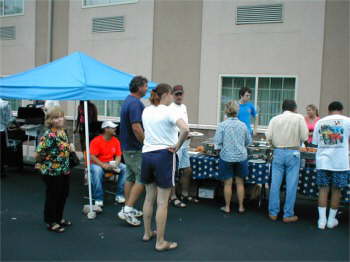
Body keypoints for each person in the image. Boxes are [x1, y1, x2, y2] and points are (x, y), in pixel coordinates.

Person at [141, 83, 189, 251]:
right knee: (162, 203)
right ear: (167, 94)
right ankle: (160, 242)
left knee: (148, 198)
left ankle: (147, 233)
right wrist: (177, 145)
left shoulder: (146, 110)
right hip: (163, 156)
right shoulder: (170, 110)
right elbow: (185, 129)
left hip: (147, 155)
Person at [266, 100, 308, 223]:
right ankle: (288, 214)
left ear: (283, 108)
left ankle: (273, 212)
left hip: (278, 152)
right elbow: (304, 137)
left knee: (275, 184)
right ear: (294, 108)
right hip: (293, 153)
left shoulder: (274, 119)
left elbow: (268, 137)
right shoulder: (299, 118)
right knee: (291, 185)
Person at [34, 107, 74, 233]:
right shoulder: (49, 135)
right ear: (50, 120)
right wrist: (41, 164)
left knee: (63, 194)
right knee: (53, 196)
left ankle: (58, 218)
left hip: (64, 169)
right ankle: (51, 221)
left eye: (61, 116)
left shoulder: (63, 131)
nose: (59, 119)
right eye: (56, 117)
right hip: (51, 171)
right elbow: (38, 153)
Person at [312, 101, 350, 229]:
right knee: (336, 190)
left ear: (329, 110)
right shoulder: (347, 121)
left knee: (323, 189)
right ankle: (331, 220)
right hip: (340, 162)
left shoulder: (320, 122)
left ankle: (321, 221)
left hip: (323, 161)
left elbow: (315, 142)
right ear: (341, 110)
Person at [118, 76, 148, 226]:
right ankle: (127, 209)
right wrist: (146, 143)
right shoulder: (135, 103)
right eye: (146, 86)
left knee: (130, 177)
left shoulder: (127, 100)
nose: (147, 88)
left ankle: (127, 207)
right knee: (142, 178)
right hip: (135, 148)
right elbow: (136, 127)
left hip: (127, 147)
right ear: (140, 87)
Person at [214, 101, 252, 213]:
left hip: (226, 157)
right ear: (237, 111)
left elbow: (217, 143)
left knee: (228, 183)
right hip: (241, 157)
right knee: (240, 183)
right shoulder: (243, 125)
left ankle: (227, 207)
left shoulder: (222, 125)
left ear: (226, 111)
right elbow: (248, 141)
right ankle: (241, 207)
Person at [168, 85, 199, 208]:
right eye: (177, 94)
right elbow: (171, 128)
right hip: (175, 142)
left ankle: (185, 194)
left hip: (185, 143)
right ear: (172, 95)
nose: (179, 96)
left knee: (187, 170)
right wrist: (181, 135)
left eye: (181, 94)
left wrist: (188, 133)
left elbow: (184, 125)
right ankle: (173, 197)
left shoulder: (184, 107)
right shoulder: (170, 108)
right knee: (173, 171)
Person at [90, 121, 127, 207]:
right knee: (97, 170)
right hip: (97, 164)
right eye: (113, 127)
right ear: (106, 129)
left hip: (110, 163)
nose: (115, 129)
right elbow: (93, 157)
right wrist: (103, 165)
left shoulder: (116, 140)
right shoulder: (96, 141)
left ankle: (119, 195)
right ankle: (99, 198)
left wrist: (116, 164)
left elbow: (118, 156)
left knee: (125, 168)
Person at [0, 99, 12, 177]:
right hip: (1, 130)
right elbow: (8, 119)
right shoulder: (5, 104)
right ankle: (1, 170)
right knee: (2, 151)